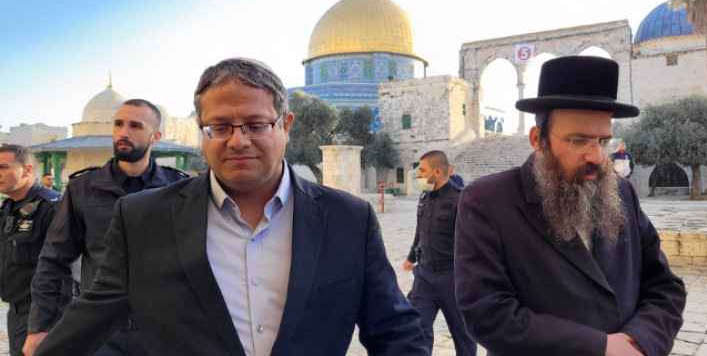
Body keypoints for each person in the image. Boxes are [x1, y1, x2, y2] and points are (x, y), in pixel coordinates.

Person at [32, 57, 427, 356]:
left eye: (255, 125)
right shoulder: (143, 218)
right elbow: (93, 316)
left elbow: (393, 330)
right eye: (219, 127)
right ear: (202, 132)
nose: (237, 141)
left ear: (285, 125)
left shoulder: (347, 220)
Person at [454, 56, 686, 356]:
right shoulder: (487, 201)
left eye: (603, 141)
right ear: (538, 139)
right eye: (579, 141)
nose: (596, 157)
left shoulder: (621, 191)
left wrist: (640, 342)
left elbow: (664, 286)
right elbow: (488, 313)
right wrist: (601, 347)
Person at [25, 99, 189, 356]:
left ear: (155, 136)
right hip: (101, 331)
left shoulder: (177, 189)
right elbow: (53, 260)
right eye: (118, 124)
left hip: (161, 331)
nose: (123, 132)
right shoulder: (83, 189)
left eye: (135, 125)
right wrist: (38, 327)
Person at [403, 151, 476, 356]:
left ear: (437, 171)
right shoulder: (425, 196)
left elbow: (473, 242)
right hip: (424, 276)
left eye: (423, 170)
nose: (419, 175)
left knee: (463, 333)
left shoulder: (460, 200)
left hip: (451, 278)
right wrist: (411, 256)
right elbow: (420, 230)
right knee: (417, 329)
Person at [0, 145, 66, 355]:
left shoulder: (52, 207)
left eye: (3, 167)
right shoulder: (9, 208)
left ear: (27, 170)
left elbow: (63, 271)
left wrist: (41, 326)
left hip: (43, 316)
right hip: (17, 310)